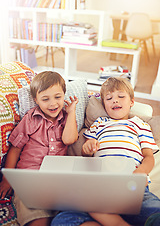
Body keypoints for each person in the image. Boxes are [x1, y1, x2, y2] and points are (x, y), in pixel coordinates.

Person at [51, 77, 160, 226]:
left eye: (121, 96)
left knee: (155, 214)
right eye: (109, 98)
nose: (115, 101)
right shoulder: (99, 124)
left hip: (132, 185)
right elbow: (86, 150)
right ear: (104, 104)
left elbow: (148, 156)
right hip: (99, 186)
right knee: (61, 221)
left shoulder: (140, 124)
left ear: (131, 102)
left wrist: (141, 172)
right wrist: (87, 148)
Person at [0, 71, 79, 226]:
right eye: (45, 99)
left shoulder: (66, 119)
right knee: (38, 219)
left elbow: (69, 139)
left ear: (64, 95)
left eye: (58, 97)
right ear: (36, 100)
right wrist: (7, 179)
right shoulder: (31, 118)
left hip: (58, 181)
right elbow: (15, 148)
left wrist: (71, 113)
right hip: (30, 180)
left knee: (69, 217)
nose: (53, 104)